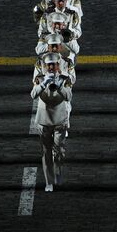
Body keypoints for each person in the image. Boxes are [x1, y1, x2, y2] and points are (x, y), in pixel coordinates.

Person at [30, 52, 73, 192]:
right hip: (44, 119)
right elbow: (33, 95)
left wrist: (60, 86)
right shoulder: (40, 78)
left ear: (57, 65)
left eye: (54, 64)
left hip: (59, 119)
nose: (51, 67)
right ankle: (49, 182)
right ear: (45, 66)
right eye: (49, 65)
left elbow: (69, 97)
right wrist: (43, 84)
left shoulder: (64, 78)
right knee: (46, 151)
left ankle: (58, 174)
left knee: (59, 150)